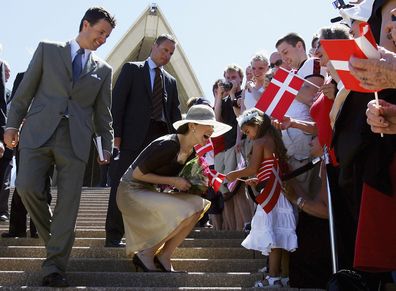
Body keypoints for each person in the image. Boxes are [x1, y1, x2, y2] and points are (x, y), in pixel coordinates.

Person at [3, 7, 116, 287]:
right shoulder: (47, 50)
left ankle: (54, 266)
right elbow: (24, 92)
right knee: (27, 186)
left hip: (75, 142)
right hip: (38, 134)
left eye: (107, 36)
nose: (103, 39)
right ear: (86, 25)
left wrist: (106, 146)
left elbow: (104, 114)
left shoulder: (103, 70)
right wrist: (11, 125)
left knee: (68, 206)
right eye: (101, 32)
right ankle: (58, 238)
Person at [116, 104, 231, 272]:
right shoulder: (168, 144)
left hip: (149, 191)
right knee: (187, 209)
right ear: (192, 126)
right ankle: (146, 254)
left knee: (199, 206)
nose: (212, 130)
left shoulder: (192, 152)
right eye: (209, 125)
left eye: (213, 126)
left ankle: (164, 255)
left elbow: (178, 180)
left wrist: (195, 184)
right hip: (130, 191)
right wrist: (173, 181)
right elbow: (137, 175)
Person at [105, 34, 181, 247]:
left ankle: (143, 237)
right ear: (154, 46)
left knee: (150, 190)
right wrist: (116, 137)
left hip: (159, 140)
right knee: (121, 186)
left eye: (171, 53)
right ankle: (113, 235)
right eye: (165, 50)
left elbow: (174, 115)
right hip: (131, 139)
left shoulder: (171, 82)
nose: (167, 55)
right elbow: (118, 104)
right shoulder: (132, 69)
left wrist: (179, 144)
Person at [226, 108, 297, 288]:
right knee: (281, 236)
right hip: (278, 192)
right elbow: (267, 168)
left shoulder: (260, 142)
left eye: (248, 132)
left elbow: (252, 168)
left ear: (256, 126)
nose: (249, 137)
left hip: (270, 197)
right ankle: (285, 276)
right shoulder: (273, 139)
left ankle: (273, 277)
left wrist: (233, 174)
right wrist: (256, 180)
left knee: (273, 237)